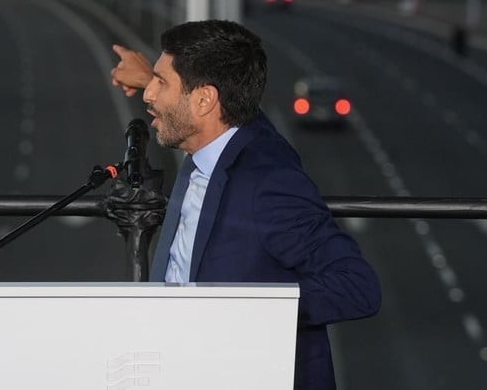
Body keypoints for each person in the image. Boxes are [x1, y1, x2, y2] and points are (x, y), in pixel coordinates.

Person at [111, 20, 381, 390]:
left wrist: (247, 308)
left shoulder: (268, 183)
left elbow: (357, 287)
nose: (148, 95)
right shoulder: (220, 134)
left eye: (161, 83)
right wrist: (152, 79)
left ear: (204, 99)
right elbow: (235, 103)